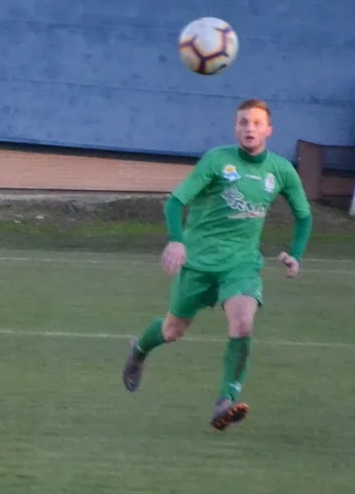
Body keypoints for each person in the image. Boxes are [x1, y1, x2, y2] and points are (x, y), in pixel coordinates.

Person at [121, 98, 312, 430]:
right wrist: (177, 240)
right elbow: (175, 202)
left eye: (256, 123)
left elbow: (304, 215)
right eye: (243, 122)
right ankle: (139, 349)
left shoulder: (281, 170)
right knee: (172, 331)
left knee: (243, 324)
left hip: (240, 265)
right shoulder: (217, 160)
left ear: (269, 130)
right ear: (235, 128)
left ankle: (225, 400)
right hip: (198, 263)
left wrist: (295, 253)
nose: (249, 128)